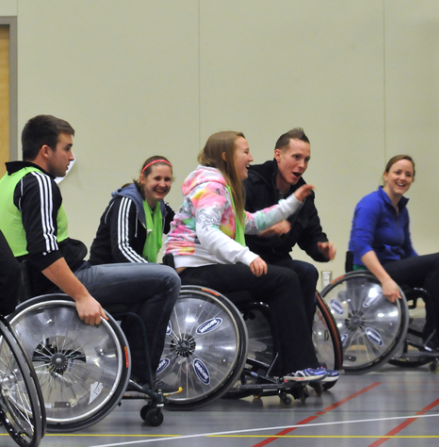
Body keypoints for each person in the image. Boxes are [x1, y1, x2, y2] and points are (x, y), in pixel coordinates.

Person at [0, 114, 181, 391]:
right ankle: (139, 377)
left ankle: (124, 365)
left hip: (30, 283)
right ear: (46, 151)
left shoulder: (9, 180)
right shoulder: (40, 183)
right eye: (67, 148)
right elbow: (45, 252)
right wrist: (82, 296)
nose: (72, 157)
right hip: (59, 280)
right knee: (167, 279)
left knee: (144, 284)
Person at [164, 130, 332, 382]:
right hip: (191, 271)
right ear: (226, 157)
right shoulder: (211, 187)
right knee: (284, 279)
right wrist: (247, 256)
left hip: (206, 267)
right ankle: (296, 365)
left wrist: (293, 202)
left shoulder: (224, 189)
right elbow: (207, 232)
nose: (251, 157)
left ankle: (292, 361)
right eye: (245, 152)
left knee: (299, 273)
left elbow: (252, 221)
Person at [348, 154, 439, 354]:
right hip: (369, 272)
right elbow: (360, 245)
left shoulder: (401, 210)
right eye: (397, 172)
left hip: (393, 268)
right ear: (385, 175)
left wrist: (430, 270)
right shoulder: (370, 203)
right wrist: (385, 280)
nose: (402, 178)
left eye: (408, 175)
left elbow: (408, 251)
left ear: (412, 180)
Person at [244, 128, 335, 330]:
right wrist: (263, 230)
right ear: (278, 155)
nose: (302, 165)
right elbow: (233, 227)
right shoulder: (251, 181)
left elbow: (312, 235)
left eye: (306, 160)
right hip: (247, 259)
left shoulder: (303, 194)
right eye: (296, 157)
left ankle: (300, 340)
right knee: (288, 277)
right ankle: (287, 340)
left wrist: (322, 248)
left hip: (278, 260)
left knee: (308, 271)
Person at [90, 156, 175, 265]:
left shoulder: (161, 207)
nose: (163, 184)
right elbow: (121, 250)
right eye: (157, 178)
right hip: (105, 269)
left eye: (167, 179)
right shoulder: (126, 202)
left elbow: (183, 231)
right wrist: (154, 271)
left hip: (134, 270)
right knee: (168, 276)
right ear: (143, 179)